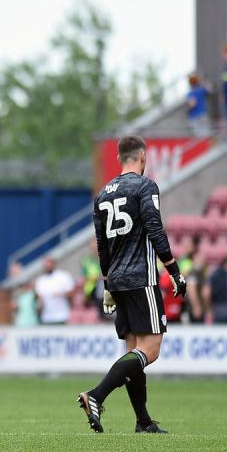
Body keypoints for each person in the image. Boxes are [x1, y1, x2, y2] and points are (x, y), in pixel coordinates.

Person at [78, 135, 187, 434]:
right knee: (150, 350)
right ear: (142, 156)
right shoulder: (145, 186)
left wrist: (108, 284)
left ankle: (143, 422)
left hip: (117, 280)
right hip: (141, 278)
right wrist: (175, 271)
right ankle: (96, 395)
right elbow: (154, 228)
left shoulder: (103, 194)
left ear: (119, 158)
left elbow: (101, 245)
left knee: (134, 353)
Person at [34, 257, 75, 325]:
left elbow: (72, 293)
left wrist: (61, 294)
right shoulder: (40, 280)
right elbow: (39, 299)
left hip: (62, 316)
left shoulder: (63, 276)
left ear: (54, 264)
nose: (48, 266)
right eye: (46, 265)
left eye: (49, 264)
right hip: (46, 317)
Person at [9, 262, 39, 328]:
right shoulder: (14, 291)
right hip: (20, 322)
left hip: (31, 322)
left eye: (16, 270)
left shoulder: (32, 293)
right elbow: (14, 307)